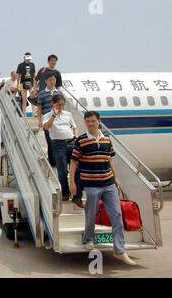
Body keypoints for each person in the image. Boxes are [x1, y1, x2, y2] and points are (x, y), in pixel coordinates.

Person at [69, 111, 137, 265]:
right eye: (87, 121)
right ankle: (89, 239)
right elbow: (73, 162)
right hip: (91, 185)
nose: (90, 124)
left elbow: (110, 159)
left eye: (93, 121)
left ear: (99, 121)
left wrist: (116, 178)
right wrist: (72, 182)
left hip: (108, 184)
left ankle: (120, 250)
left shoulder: (107, 139)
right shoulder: (81, 141)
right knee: (91, 215)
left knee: (117, 216)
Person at [43, 94, 83, 207]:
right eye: (58, 104)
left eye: (62, 104)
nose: (60, 107)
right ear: (53, 104)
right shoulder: (48, 115)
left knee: (77, 170)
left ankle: (77, 196)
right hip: (58, 145)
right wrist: (54, 116)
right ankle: (65, 193)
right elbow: (46, 127)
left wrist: (75, 136)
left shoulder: (68, 114)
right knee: (62, 171)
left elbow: (74, 126)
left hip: (71, 143)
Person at [37, 72, 62, 167]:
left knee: (58, 141)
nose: (52, 81)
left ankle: (58, 161)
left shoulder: (58, 93)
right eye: (50, 80)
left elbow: (62, 106)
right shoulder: (42, 94)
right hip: (47, 119)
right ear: (46, 81)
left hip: (58, 120)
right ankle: (53, 162)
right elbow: (39, 108)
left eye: (54, 80)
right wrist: (39, 120)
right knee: (50, 141)